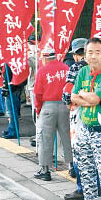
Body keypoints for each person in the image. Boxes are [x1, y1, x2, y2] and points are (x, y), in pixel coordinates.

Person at [71, 38, 101, 200]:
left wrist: (83, 94)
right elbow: (72, 97)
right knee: (86, 176)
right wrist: (86, 96)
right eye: (90, 52)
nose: (93, 56)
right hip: (84, 129)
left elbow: (94, 99)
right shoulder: (82, 72)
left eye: (97, 52)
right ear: (84, 55)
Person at [33, 48, 73, 181]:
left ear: (44, 58)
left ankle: (45, 170)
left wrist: (38, 110)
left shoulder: (42, 71)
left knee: (45, 139)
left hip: (48, 106)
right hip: (65, 106)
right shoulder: (66, 68)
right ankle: (72, 166)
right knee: (67, 137)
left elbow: (37, 93)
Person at [62, 38, 89, 200]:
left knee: (80, 151)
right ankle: (96, 186)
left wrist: (68, 101)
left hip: (78, 112)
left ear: (75, 54)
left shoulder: (75, 67)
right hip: (96, 113)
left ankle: (81, 188)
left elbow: (67, 93)